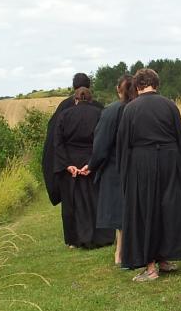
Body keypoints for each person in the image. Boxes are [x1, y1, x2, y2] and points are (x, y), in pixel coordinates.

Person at [116, 68, 181, 282]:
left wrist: (125, 175)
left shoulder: (130, 110)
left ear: (138, 86)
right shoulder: (170, 105)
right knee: (168, 207)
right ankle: (164, 258)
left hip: (142, 163)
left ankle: (151, 267)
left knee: (146, 210)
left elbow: (123, 146)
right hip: (170, 159)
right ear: (156, 84)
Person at [51, 86, 116, 249]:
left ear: (76, 99)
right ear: (91, 99)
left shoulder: (65, 115)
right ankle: (102, 237)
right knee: (96, 199)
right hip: (92, 160)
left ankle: (75, 240)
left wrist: (67, 165)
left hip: (71, 162)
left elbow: (58, 143)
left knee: (73, 203)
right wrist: (94, 162)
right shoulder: (99, 113)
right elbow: (104, 140)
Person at [86, 74, 135, 266]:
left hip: (115, 169)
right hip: (137, 166)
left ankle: (120, 253)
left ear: (118, 89)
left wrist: (92, 165)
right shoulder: (137, 108)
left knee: (120, 215)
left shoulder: (112, 111)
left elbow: (101, 145)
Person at [43, 72, 97, 213]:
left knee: (71, 204)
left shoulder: (63, 107)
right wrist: (95, 161)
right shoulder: (98, 108)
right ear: (89, 86)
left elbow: (55, 138)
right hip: (92, 163)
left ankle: (74, 233)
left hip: (69, 164)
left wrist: (63, 163)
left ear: (73, 87)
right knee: (92, 202)